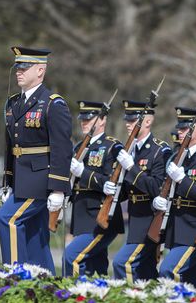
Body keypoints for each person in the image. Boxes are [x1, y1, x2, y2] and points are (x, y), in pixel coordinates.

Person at [0, 47, 73, 274]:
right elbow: (11, 147)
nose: (19, 72)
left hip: (40, 182)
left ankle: (16, 278)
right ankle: (45, 286)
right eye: (17, 67)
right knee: (34, 236)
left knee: (7, 220)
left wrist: (58, 189)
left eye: (24, 67)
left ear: (40, 71)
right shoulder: (12, 104)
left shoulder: (52, 104)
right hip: (21, 181)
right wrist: (7, 183)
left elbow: (62, 148)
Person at [157, 107, 196, 289]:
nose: (180, 132)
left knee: (168, 271)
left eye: (185, 129)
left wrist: (182, 180)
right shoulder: (177, 157)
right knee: (193, 281)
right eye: (180, 129)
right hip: (175, 228)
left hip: (195, 230)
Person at [112, 100, 172, 282]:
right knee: (146, 273)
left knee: (122, 263)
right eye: (127, 121)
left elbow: (157, 188)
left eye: (133, 121)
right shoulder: (129, 150)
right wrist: (114, 186)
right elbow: (126, 191)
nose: (128, 125)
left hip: (150, 220)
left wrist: (131, 168)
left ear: (147, 122)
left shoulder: (159, 151)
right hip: (134, 217)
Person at [63, 100, 124, 277]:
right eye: (82, 119)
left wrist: (84, 172)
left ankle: (73, 296)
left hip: (99, 218)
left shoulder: (112, 147)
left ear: (102, 120)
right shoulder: (78, 148)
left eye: (89, 119)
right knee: (95, 268)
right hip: (81, 218)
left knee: (71, 257)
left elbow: (110, 184)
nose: (84, 122)